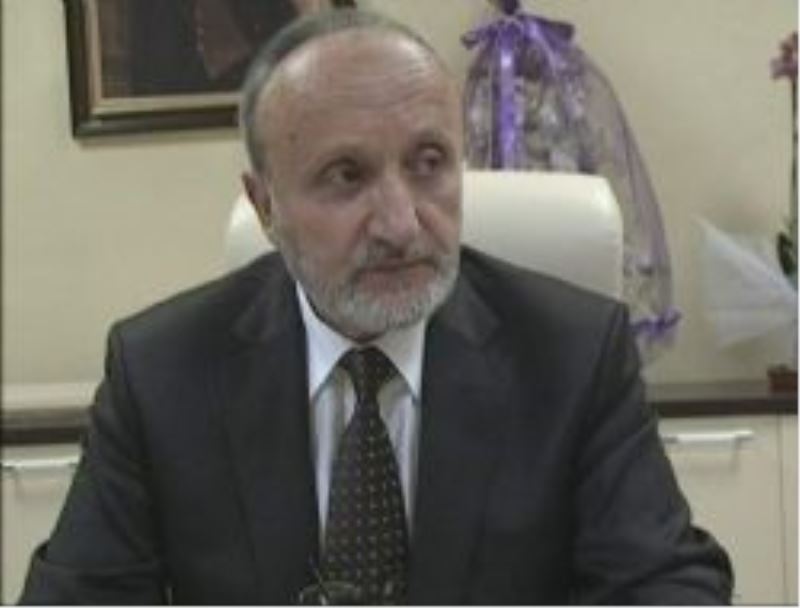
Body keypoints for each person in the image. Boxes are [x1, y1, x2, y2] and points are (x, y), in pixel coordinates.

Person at [21, 8, 732, 605]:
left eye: (428, 163)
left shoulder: (573, 355)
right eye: (346, 175)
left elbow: (668, 585)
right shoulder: (161, 373)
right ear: (265, 206)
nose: (400, 222)